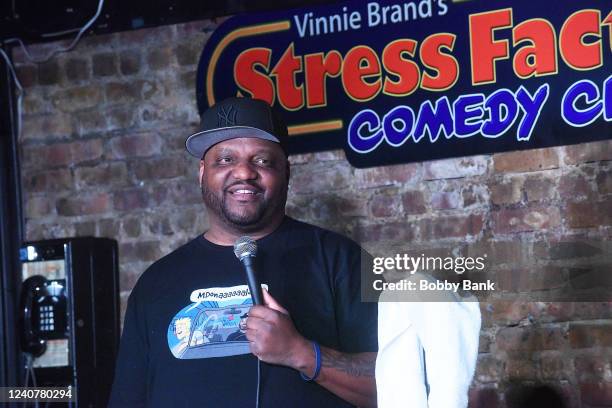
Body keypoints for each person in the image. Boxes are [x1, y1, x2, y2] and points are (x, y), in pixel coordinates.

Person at [109, 97, 378, 407]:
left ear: (286, 173)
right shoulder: (155, 283)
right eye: (225, 159)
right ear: (201, 173)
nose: (244, 172)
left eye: (262, 160)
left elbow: (400, 385)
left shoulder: (342, 259)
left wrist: (301, 353)